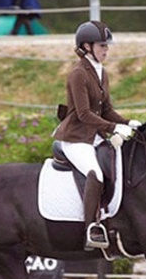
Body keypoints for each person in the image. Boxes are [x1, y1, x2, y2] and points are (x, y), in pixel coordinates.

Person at [53, 21, 141, 251]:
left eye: (106, 46)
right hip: (75, 137)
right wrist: (113, 128)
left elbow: (107, 109)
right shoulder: (78, 74)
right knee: (96, 174)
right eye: (102, 45)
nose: (106, 50)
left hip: (95, 135)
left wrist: (127, 122)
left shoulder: (102, 72)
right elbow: (83, 114)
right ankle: (90, 228)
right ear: (86, 46)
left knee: (120, 164)